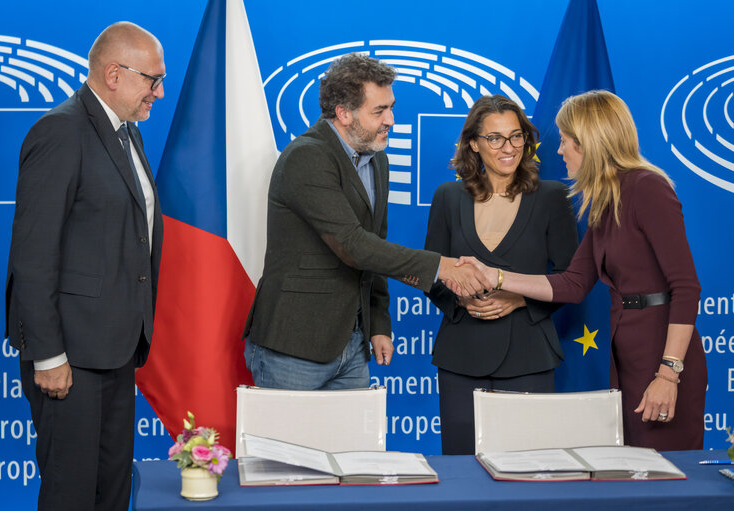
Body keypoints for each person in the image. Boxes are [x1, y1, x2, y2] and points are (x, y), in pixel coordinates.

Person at [459, 90, 707, 450]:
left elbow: (686, 287)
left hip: (662, 357)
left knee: (668, 477)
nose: (559, 151)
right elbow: (573, 283)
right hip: (627, 353)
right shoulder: (605, 199)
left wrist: (669, 374)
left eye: (565, 142)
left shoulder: (647, 188)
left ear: (589, 142)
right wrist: (494, 275)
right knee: (634, 477)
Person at [243, 54, 490, 390]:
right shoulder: (308, 157)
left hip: (352, 343)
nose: (391, 119)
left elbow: (376, 246)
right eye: (379, 111)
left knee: (352, 444)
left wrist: (378, 323)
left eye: (391, 107)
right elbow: (354, 246)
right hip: (294, 345)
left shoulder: (378, 159)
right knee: (287, 445)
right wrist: (443, 268)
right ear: (344, 114)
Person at [5, 22, 165, 509]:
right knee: (72, 493)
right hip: (69, 358)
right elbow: (33, 256)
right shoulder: (61, 130)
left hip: (116, 349)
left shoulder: (126, 132)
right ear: (113, 73)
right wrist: (49, 356)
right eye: (151, 79)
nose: (158, 92)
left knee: (112, 490)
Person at [424, 95, 579, 454]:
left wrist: (519, 299)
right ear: (474, 144)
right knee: (463, 472)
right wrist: (460, 299)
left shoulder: (553, 196)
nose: (507, 147)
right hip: (460, 356)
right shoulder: (448, 197)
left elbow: (570, 278)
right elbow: (431, 273)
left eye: (516, 136)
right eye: (494, 138)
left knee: (529, 470)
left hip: (530, 354)